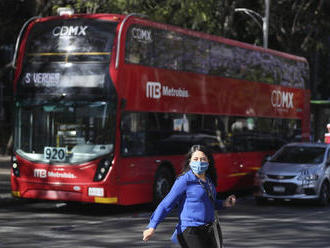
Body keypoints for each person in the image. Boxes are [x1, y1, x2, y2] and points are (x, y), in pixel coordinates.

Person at [143, 145, 236, 248]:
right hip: (191, 231)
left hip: (209, 230)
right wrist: (152, 226)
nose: (199, 162)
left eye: (203, 159)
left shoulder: (208, 181)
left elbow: (208, 203)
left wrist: (224, 203)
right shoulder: (184, 180)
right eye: (195, 159)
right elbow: (166, 204)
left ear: (208, 161)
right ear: (190, 162)